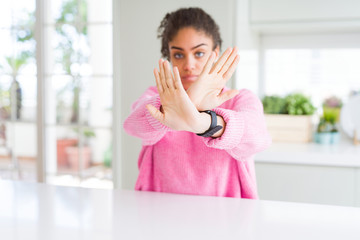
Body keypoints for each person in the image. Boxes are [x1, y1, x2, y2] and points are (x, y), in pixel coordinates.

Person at [123, 7, 271, 199]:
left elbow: (257, 138)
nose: (189, 65)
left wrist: (203, 123)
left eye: (199, 53)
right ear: (168, 56)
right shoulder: (155, 98)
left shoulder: (238, 99)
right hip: (159, 215)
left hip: (227, 218)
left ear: (215, 53)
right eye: (178, 55)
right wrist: (187, 102)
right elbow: (134, 126)